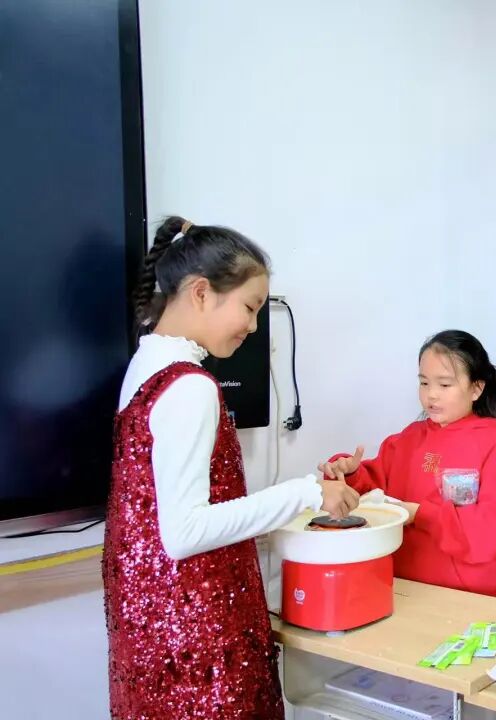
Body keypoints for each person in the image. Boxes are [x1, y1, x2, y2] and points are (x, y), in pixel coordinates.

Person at [103, 216, 359, 720]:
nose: (254, 326)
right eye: (249, 307)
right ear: (201, 293)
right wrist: (308, 493)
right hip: (195, 629)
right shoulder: (190, 387)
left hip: (150, 619)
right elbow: (185, 531)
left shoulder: (144, 365)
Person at [321, 330, 496, 597]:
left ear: (476, 388)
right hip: (401, 587)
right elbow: (373, 490)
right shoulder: (409, 438)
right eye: (424, 383)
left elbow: (491, 529)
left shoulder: (491, 444)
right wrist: (350, 473)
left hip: (465, 594)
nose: (431, 394)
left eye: (444, 385)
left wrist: (422, 515)